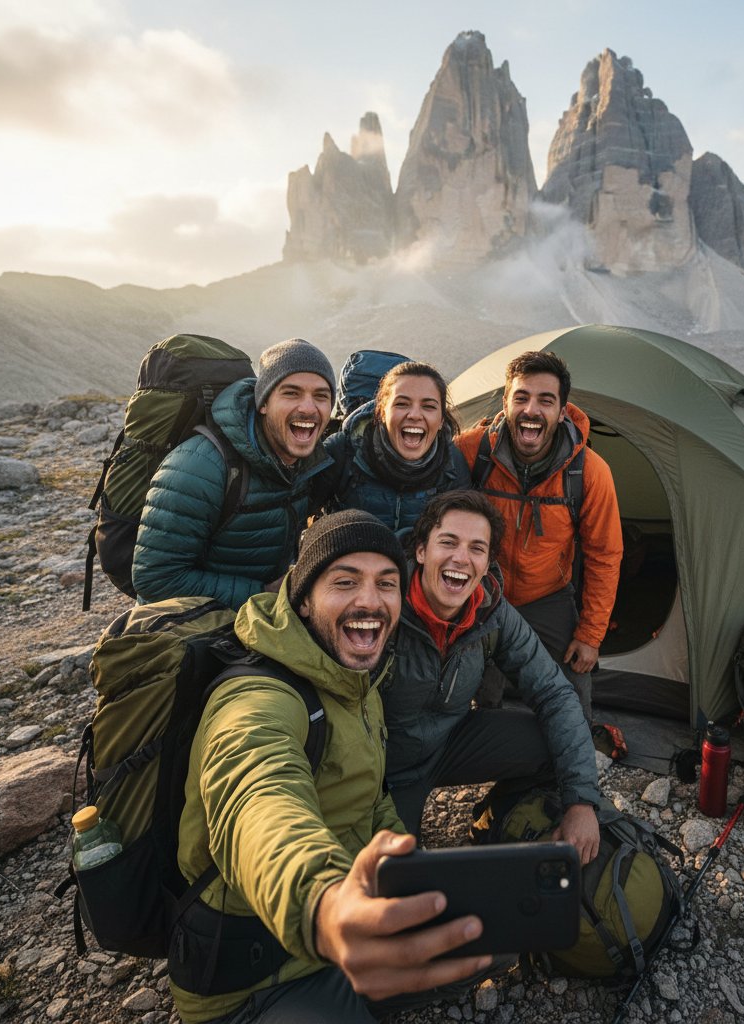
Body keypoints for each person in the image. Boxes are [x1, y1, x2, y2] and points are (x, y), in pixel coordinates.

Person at [170, 510, 500, 1023]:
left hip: (340, 926)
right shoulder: (256, 696)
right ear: (304, 600)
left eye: (386, 584)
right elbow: (256, 801)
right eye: (345, 582)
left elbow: (370, 800)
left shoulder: (354, 679)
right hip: (255, 975)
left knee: (491, 942)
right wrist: (327, 904)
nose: (370, 600)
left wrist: (415, 876)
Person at [384, 489, 601, 863]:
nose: (461, 559)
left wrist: (581, 801)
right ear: (421, 551)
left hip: (449, 742)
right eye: (448, 543)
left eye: (477, 549)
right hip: (387, 765)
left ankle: (502, 820)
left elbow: (554, 693)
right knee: (395, 880)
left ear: (487, 563)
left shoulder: (491, 612)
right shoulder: (383, 604)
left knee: (552, 741)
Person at [455, 350, 624, 722]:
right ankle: (489, 750)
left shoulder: (589, 472)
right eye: (522, 397)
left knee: (573, 688)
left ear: (562, 410)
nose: (531, 410)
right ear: (506, 402)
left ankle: (571, 764)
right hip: (484, 593)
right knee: (482, 688)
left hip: (548, 596)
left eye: (545, 400)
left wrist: (591, 634)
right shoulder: (473, 452)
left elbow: (605, 554)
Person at [132, 338, 337, 610]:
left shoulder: (306, 460)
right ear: (263, 403)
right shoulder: (199, 468)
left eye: (321, 396)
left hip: (254, 614)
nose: (309, 408)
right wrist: (262, 593)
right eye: (291, 393)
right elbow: (154, 579)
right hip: (185, 628)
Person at [321, 361, 470, 538]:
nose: (414, 415)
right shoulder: (343, 451)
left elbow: (461, 536)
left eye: (428, 406)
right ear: (382, 412)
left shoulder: (452, 463)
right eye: (402, 404)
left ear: (441, 421)